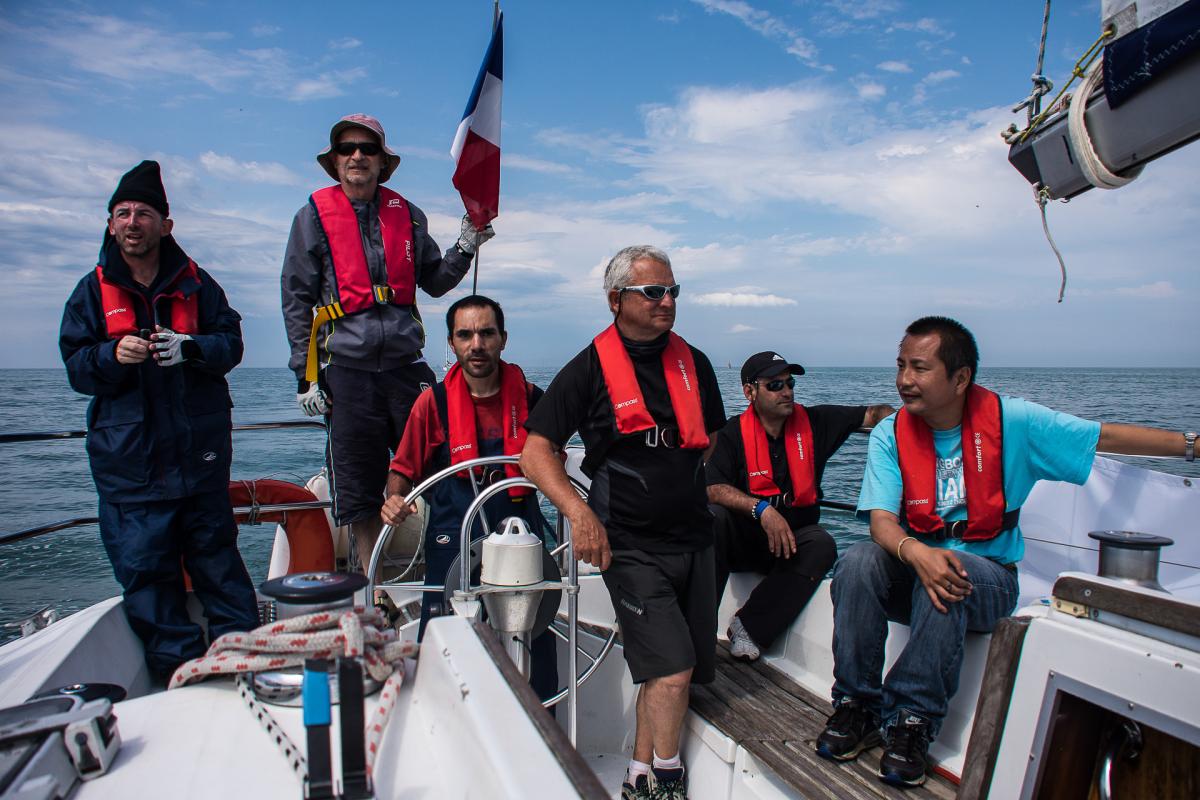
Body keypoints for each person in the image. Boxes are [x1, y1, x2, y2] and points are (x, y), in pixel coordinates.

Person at [817, 315, 1197, 788]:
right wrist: (917, 553)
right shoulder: (890, 434)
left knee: (951, 571)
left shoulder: (1013, 421)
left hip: (989, 579)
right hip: (915, 566)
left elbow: (1104, 436)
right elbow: (881, 523)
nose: (904, 380)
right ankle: (857, 704)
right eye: (900, 366)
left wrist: (1192, 445)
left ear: (961, 378)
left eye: (919, 368)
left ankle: (912, 719)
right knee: (857, 561)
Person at [520, 246, 727, 800]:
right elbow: (535, 453)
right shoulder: (588, 369)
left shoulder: (696, 363)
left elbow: (709, 441)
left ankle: (636, 775)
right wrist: (580, 512)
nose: (667, 301)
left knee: (670, 671)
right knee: (674, 670)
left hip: (695, 538)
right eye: (653, 292)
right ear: (616, 300)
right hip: (629, 545)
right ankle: (668, 779)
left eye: (673, 291)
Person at [59, 160, 259, 680]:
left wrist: (192, 347)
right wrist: (111, 355)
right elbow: (76, 367)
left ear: (165, 225)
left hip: (199, 462)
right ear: (110, 225)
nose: (133, 222)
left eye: (144, 213)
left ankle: (245, 664)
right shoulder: (89, 293)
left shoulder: (198, 285)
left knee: (221, 568)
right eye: (123, 213)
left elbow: (231, 344)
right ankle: (179, 679)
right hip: (131, 470)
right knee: (146, 576)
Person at [281, 113, 494, 573]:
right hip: (347, 371)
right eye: (347, 148)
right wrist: (305, 376)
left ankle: (452, 567)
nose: (357, 156)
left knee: (444, 464)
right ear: (335, 161)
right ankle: (372, 584)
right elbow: (296, 298)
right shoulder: (312, 217)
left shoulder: (408, 216)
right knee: (358, 488)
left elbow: (435, 281)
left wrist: (465, 245)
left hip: (405, 367)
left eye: (368, 149)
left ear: (383, 161)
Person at [380, 295, 557, 701]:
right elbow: (402, 470)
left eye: (486, 333)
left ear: (503, 339)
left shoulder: (533, 399)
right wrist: (393, 498)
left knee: (537, 644)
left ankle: (541, 724)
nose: (476, 345)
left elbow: (556, 463)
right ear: (452, 342)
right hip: (452, 537)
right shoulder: (432, 404)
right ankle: (444, 718)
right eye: (465, 335)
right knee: (443, 646)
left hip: (521, 536)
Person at [706, 351, 893, 661]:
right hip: (743, 542)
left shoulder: (817, 422)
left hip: (789, 546)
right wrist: (762, 510)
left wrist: (907, 423)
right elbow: (713, 488)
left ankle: (749, 627)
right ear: (749, 391)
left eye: (790, 383)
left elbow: (873, 414)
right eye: (775, 385)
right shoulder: (732, 433)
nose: (787, 392)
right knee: (713, 518)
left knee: (822, 543)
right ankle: (699, 629)